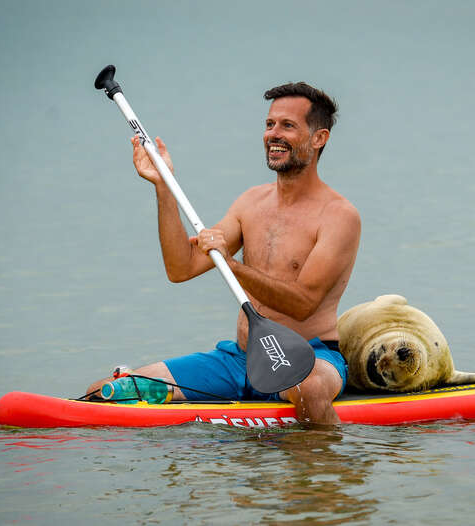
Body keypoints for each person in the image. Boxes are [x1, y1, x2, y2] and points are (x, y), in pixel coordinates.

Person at [87, 82, 361, 425]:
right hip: (240, 360)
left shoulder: (339, 216)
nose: (273, 134)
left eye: (287, 126)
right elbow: (181, 268)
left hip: (309, 358)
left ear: (319, 138)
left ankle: (316, 472)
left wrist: (231, 265)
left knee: (310, 389)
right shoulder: (250, 203)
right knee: (115, 390)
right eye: (269, 124)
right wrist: (163, 187)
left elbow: (303, 302)